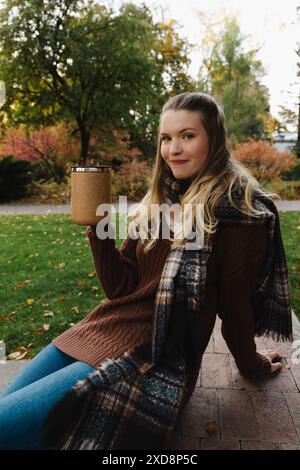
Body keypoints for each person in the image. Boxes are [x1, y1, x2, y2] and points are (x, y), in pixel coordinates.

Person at [0, 92, 291, 450]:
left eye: (187, 135)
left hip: (149, 357)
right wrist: (99, 230)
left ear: (214, 140)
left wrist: (253, 365)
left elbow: (236, 309)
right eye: (166, 139)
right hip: (97, 329)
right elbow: (120, 288)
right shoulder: (159, 200)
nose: (173, 149)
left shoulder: (240, 216)